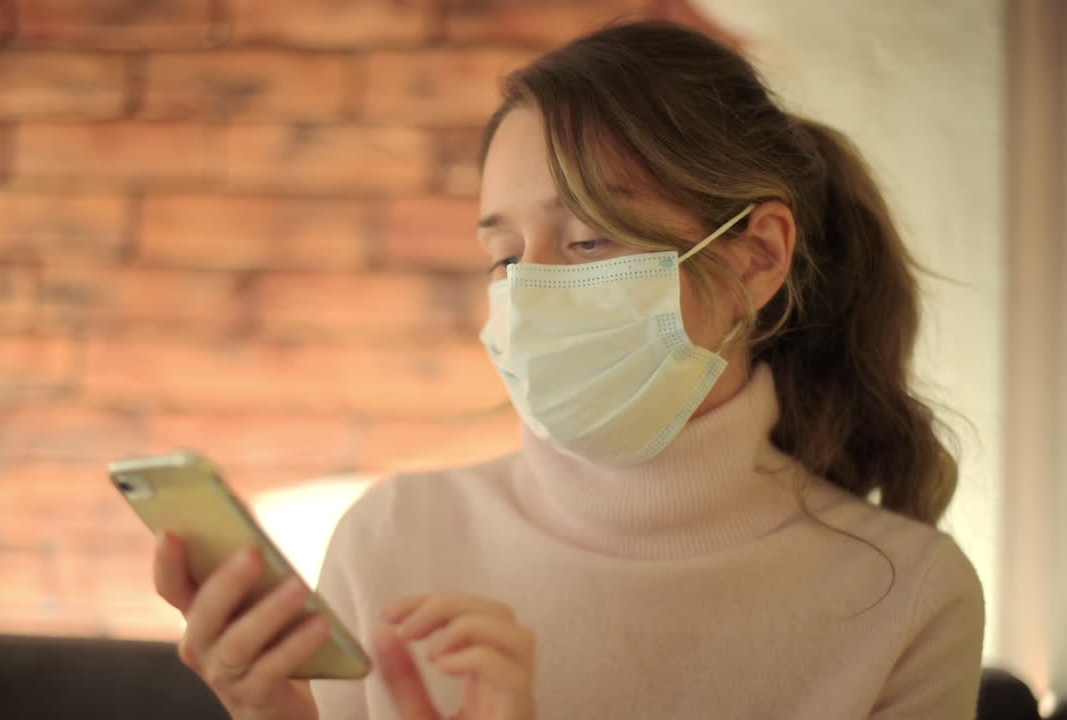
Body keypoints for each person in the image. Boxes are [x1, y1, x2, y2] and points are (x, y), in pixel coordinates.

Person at [153, 21, 985, 720]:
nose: (533, 287)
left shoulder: (908, 597)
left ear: (757, 258)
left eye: (587, 240)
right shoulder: (394, 538)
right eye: (506, 254)